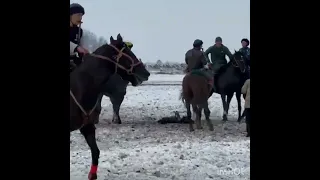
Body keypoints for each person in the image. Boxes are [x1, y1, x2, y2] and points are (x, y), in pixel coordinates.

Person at [70, 3, 89, 70]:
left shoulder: (79, 31)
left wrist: (85, 51)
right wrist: (77, 48)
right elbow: (77, 47)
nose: (80, 18)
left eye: (81, 16)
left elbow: (81, 46)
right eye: (78, 15)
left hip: (74, 60)